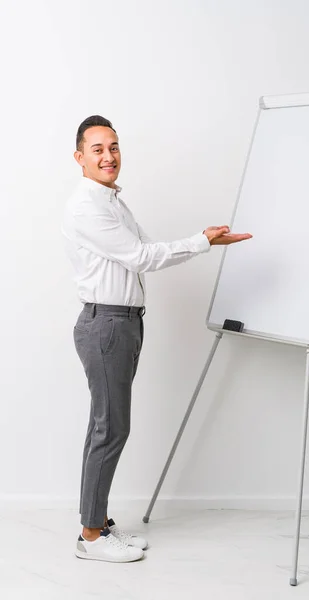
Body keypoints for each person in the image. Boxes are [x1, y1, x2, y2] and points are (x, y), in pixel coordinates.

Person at [62, 115, 252, 563]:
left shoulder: (112, 201)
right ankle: (91, 536)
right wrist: (201, 243)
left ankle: (97, 521)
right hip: (107, 325)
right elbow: (142, 257)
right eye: (98, 150)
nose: (109, 157)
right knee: (111, 428)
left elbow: (148, 250)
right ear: (79, 158)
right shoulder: (87, 205)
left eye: (114, 147)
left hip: (123, 322)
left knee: (105, 426)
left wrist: (207, 243)